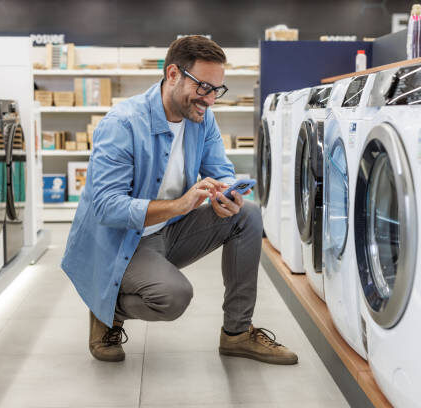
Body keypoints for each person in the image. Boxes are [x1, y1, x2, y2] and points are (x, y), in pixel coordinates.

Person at [61, 35, 297, 365]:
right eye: (204, 87)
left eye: (218, 90)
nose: (211, 99)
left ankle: (237, 333)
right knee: (173, 297)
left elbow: (220, 169)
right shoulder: (123, 124)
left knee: (247, 216)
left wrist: (228, 193)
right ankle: (106, 309)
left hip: (168, 231)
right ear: (173, 74)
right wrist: (181, 205)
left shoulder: (203, 119)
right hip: (120, 242)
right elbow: (106, 207)